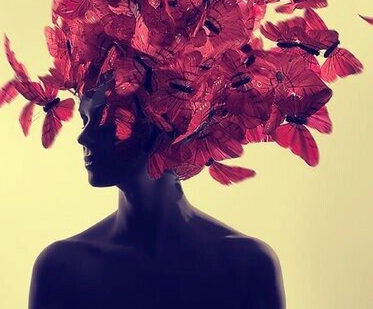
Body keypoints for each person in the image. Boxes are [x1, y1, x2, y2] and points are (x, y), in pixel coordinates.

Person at [28, 80, 286, 309]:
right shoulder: (62, 268)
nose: (84, 138)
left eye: (106, 120)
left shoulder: (248, 264)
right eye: (85, 120)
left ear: (164, 125)